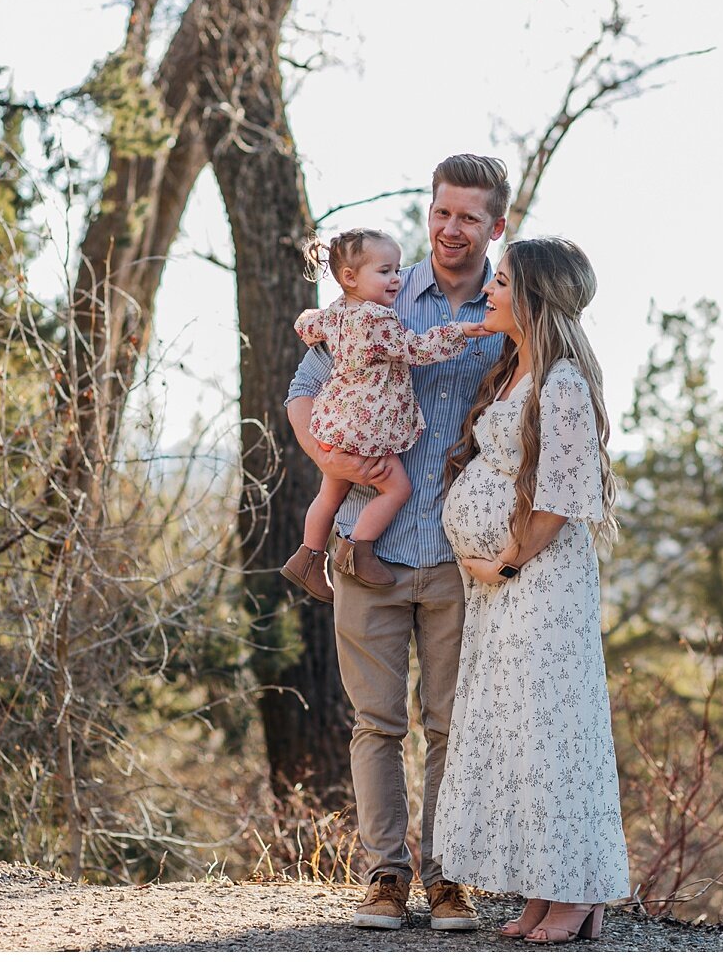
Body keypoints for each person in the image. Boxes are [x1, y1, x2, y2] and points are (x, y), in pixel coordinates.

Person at [284, 155, 510, 930]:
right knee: (376, 722)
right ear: (431, 214)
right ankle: (386, 877)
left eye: (469, 217)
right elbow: (302, 392)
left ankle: (449, 878)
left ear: (496, 227)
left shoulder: (506, 312)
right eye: (442, 212)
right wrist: (335, 462)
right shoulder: (379, 289)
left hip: (456, 558)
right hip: (365, 547)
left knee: (450, 725)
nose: (451, 228)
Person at [432, 236, 630, 945]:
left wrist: (508, 561)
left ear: (535, 297)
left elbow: (561, 498)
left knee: (555, 732)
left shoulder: (563, 384)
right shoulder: (522, 371)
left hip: (540, 584)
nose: (491, 288)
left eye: (505, 281)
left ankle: (574, 890)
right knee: (523, 733)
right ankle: (550, 890)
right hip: (507, 590)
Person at [281, 228, 486, 601]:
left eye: (396, 270)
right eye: (386, 271)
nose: (397, 279)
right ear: (350, 277)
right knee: (397, 488)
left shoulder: (338, 312)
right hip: (367, 428)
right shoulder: (378, 319)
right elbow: (416, 349)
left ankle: (308, 557)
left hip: (335, 423)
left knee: (330, 493)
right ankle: (359, 548)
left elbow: (304, 325)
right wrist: (460, 333)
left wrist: (319, 324)